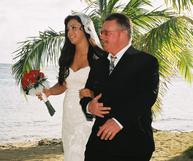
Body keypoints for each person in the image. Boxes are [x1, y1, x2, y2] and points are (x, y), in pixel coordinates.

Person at [80, 13, 159, 161]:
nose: (101, 37)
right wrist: (89, 106)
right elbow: (86, 93)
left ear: (123, 34)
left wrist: (118, 121)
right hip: (98, 144)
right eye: (101, 32)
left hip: (133, 143)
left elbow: (148, 96)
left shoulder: (146, 61)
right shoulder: (98, 64)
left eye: (106, 33)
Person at [37, 13, 106, 161]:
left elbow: (109, 87)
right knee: (71, 152)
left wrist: (93, 94)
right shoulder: (67, 56)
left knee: (85, 152)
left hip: (88, 113)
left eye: (74, 27)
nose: (70, 32)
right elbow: (63, 85)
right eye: (68, 29)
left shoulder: (100, 57)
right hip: (69, 113)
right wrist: (49, 92)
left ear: (86, 29)